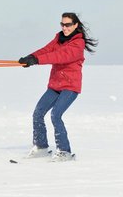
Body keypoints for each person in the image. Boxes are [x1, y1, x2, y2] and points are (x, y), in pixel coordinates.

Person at [18, 12, 98, 162]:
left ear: (75, 25)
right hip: (55, 84)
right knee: (38, 113)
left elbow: (59, 56)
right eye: (62, 24)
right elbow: (47, 50)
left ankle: (64, 151)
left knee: (56, 115)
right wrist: (30, 57)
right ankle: (41, 147)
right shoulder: (59, 38)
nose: (65, 27)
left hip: (70, 86)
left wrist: (37, 60)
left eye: (68, 25)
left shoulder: (77, 44)